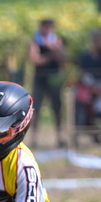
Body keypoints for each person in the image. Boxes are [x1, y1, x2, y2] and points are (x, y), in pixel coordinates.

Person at [27, 18, 66, 147]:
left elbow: (63, 58)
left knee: (57, 108)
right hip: (40, 79)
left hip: (54, 78)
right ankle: (34, 139)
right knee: (36, 108)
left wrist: (54, 49)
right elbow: (35, 59)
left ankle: (60, 137)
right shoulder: (35, 41)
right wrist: (50, 55)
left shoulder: (56, 40)